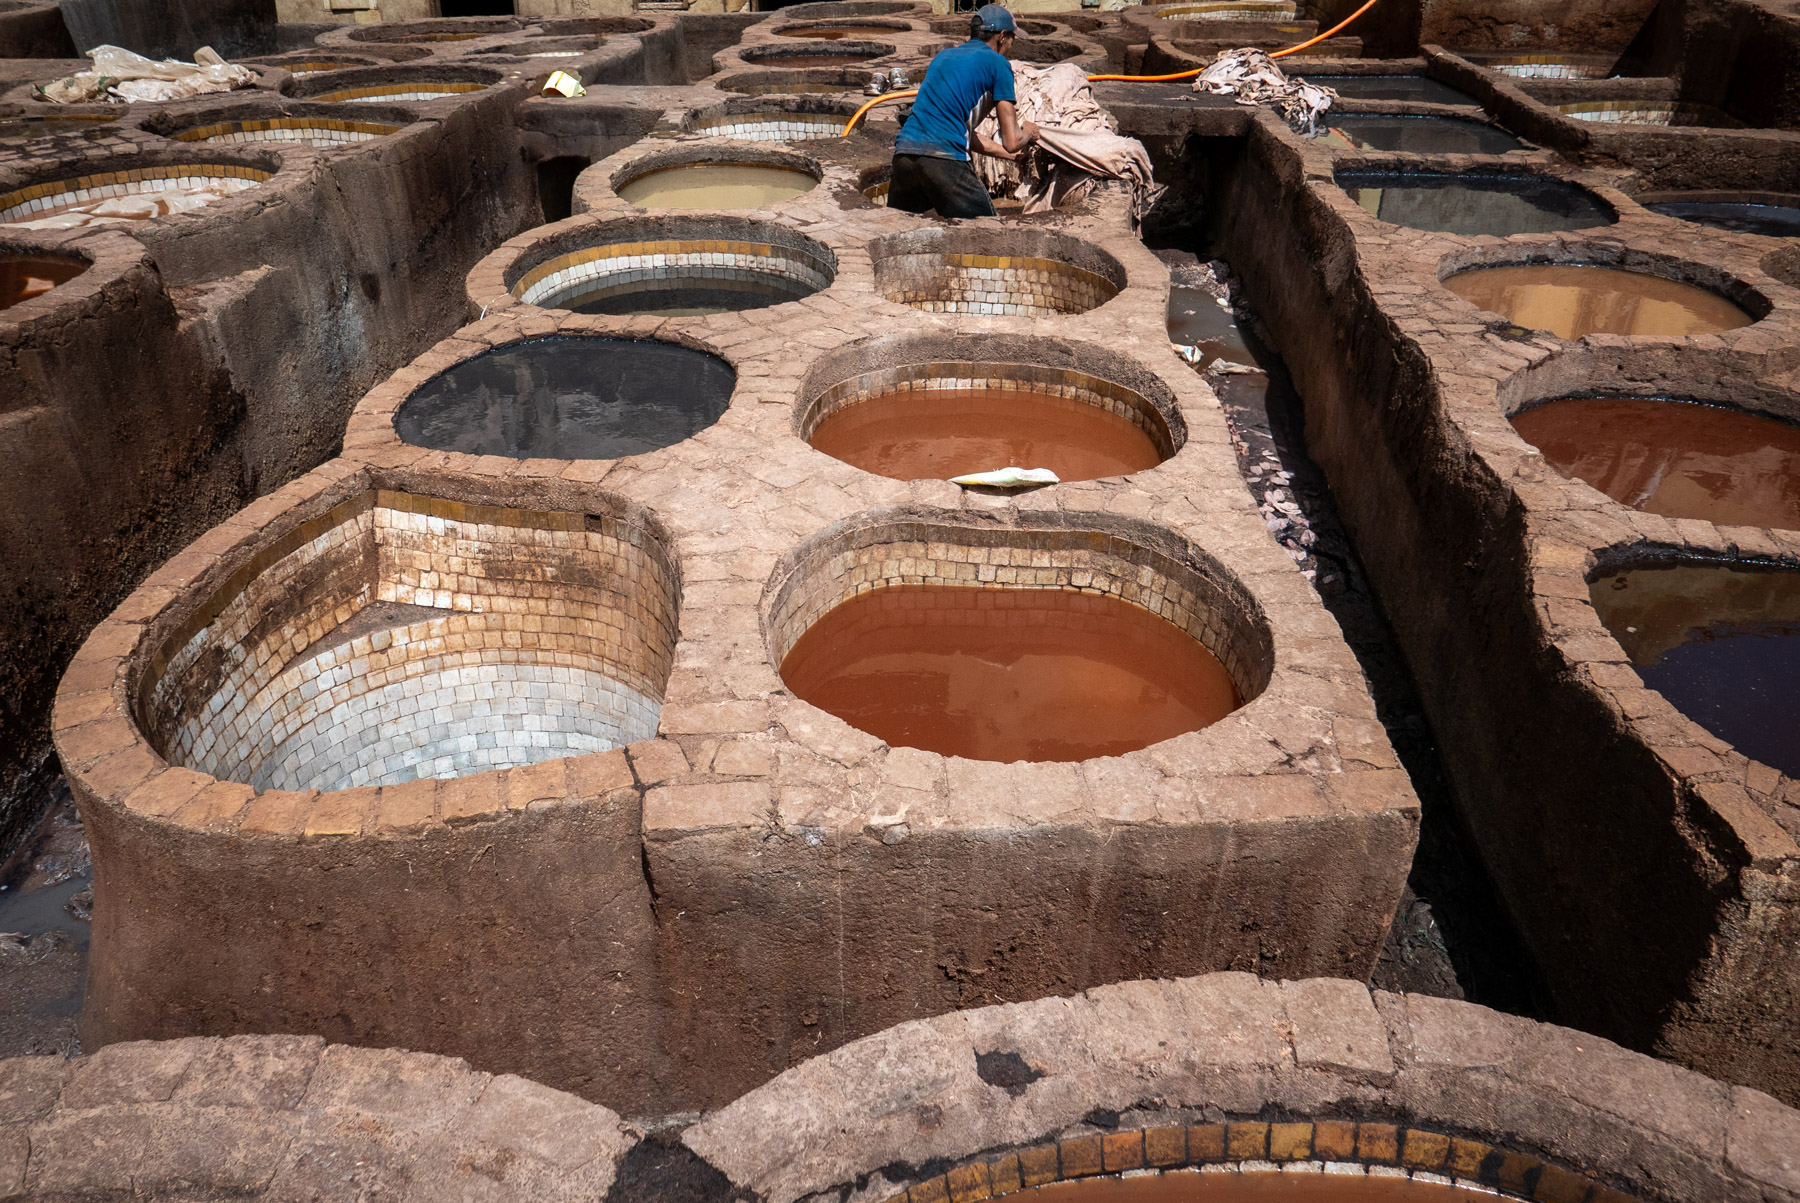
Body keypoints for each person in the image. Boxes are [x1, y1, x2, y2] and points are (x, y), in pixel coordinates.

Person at [887, 3, 1040, 219]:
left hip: (904, 154)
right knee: (987, 229)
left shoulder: (943, 57)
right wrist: (1029, 132)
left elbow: (963, 133)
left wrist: (1011, 157)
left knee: (902, 227)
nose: (1010, 47)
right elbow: (1012, 141)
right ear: (1002, 36)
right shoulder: (998, 64)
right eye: (1012, 39)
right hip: (944, 160)